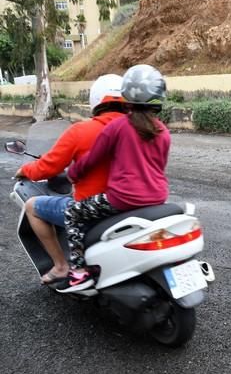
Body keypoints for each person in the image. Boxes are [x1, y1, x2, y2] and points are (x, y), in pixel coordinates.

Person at [56, 65, 171, 293]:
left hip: (122, 199)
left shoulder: (119, 127)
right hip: (158, 198)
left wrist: (72, 174)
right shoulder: (163, 132)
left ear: (126, 94)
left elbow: (92, 159)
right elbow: (159, 166)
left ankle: (79, 273)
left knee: (72, 213)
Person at [13, 74, 126, 284]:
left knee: (32, 207)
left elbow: (47, 167)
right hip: (134, 203)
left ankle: (61, 266)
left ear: (96, 101)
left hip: (94, 206)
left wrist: (25, 170)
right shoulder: (139, 130)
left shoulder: (81, 131)